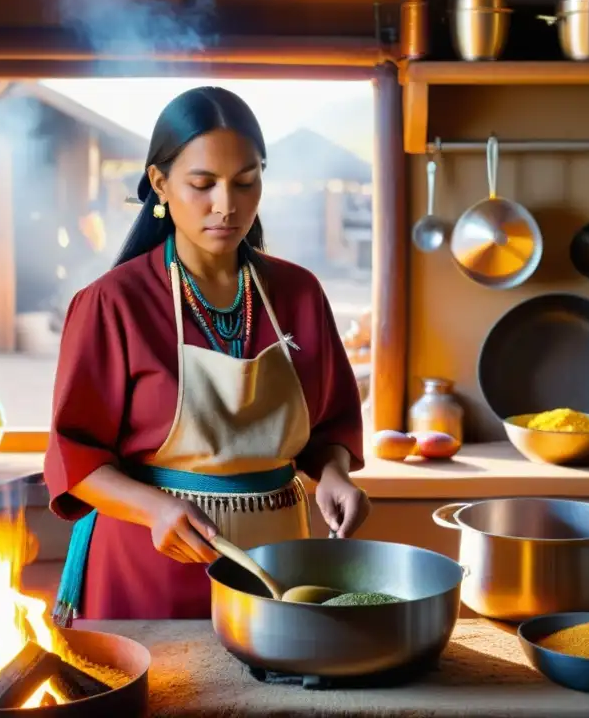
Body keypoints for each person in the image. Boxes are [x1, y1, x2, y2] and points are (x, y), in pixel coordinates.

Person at [46, 86, 370, 625]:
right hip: (154, 561)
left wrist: (334, 475)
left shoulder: (299, 293)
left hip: (279, 561)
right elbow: (72, 458)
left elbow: (329, 425)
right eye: (203, 184)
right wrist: (153, 508)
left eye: (246, 182)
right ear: (159, 184)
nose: (228, 205)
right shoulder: (112, 303)